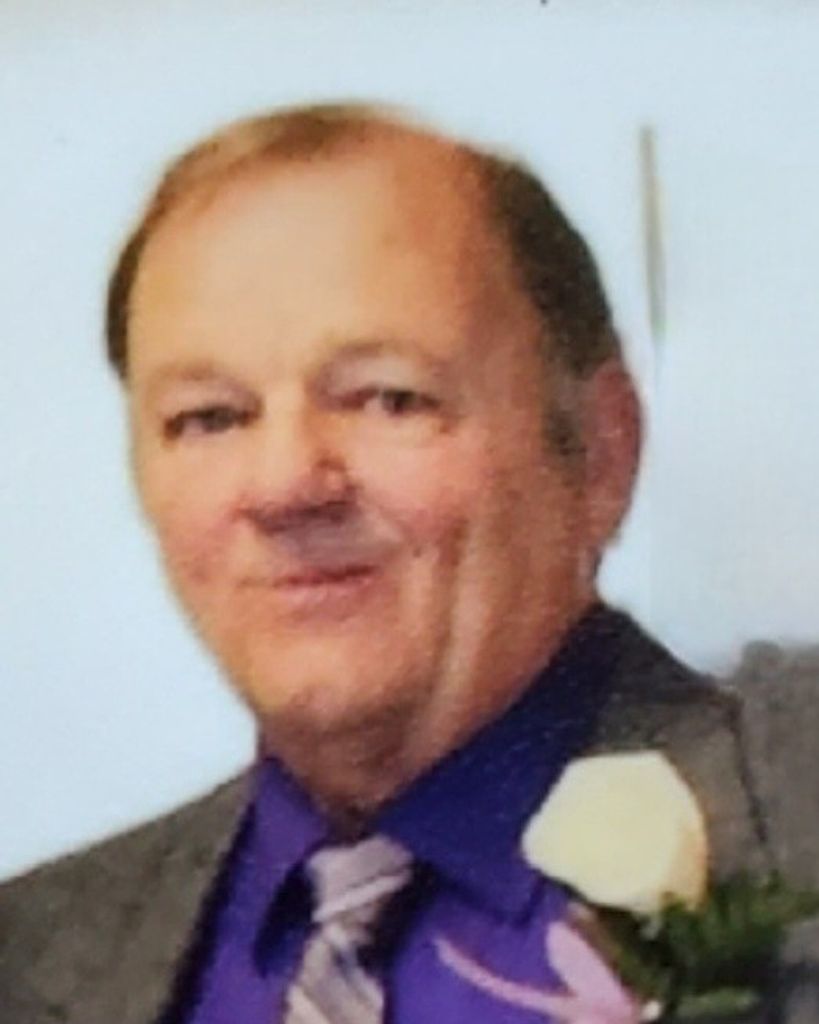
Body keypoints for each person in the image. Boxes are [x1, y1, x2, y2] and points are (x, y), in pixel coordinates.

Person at [1, 103, 816, 1024]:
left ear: (598, 449)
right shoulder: (26, 955)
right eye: (209, 417)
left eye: (387, 398)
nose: (283, 485)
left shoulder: (794, 823)